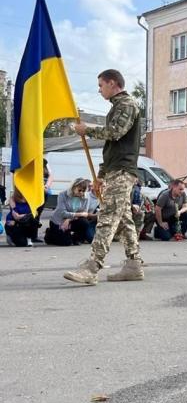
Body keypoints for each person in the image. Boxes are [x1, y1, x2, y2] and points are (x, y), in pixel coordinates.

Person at [64, 69, 143, 284]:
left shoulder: (127, 104)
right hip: (115, 169)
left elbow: (115, 132)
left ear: (113, 83)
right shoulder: (117, 107)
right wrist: (100, 176)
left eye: (101, 85)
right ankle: (133, 265)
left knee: (107, 218)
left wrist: (86, 129)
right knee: (125, 219)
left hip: (122, 170)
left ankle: (92, 267)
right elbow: (111, 147)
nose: (99, 90)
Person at [45, 178, 93, 246]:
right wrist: (79, 214)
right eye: (79, 190)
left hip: (71, 220)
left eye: (84, 191)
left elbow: (84, 214)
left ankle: (75, 239)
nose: (81, 193)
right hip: (58, 221)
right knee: (65, 243)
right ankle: (50, 233)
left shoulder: (86, 198)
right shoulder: (62, 195)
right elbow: (62, 213)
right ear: (74, 187)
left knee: (84, 222)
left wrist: (69, 219)